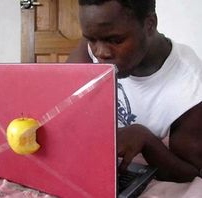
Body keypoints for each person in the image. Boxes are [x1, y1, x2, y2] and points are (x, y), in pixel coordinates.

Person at [67, 0, 202, 182]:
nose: (101, 53)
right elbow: (64, 99)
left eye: (115, 40)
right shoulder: (93, 46)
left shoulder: (191, 86)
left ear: (149, 24)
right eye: (91, 39)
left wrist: (145, 139)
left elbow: (190, 172)